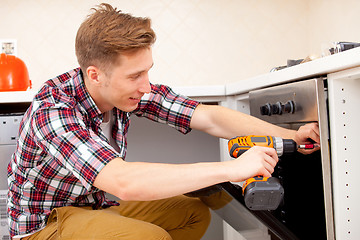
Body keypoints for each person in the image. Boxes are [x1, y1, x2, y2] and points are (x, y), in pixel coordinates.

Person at [7, 3, 320, 240]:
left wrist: (292, 135)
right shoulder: (54, 109)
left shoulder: (124, 92)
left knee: (193, 214)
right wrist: (234, 168)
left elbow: (208, 117)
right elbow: (123, 182)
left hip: (90, 207)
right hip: (44, 225)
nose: (146, 85)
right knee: (150, 238)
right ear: (95, 74)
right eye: (135, 75)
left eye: (147, 70)